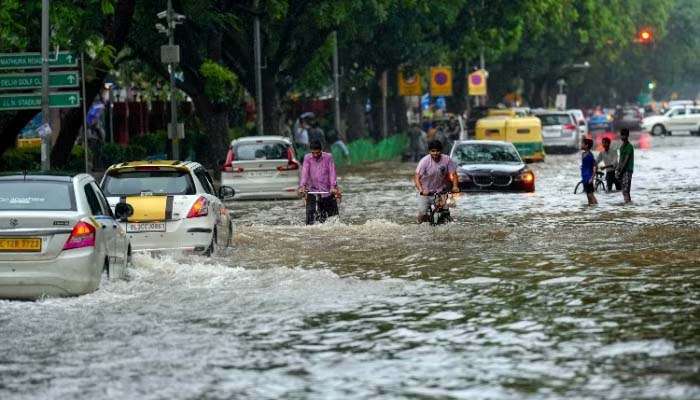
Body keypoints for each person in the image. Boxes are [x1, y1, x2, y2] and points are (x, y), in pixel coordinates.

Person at [414, 139, 460, 223]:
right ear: (429, 151)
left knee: (445, 212)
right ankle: (420, 225)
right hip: (425, 192)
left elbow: (454, 175)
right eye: (433, 151)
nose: (435, 153)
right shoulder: (424, 161)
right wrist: (421, 190)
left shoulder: (447, 160)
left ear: (441, 151)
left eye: (438, 151)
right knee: (423, 213)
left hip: (440, 191)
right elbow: (417, 178)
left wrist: (455, 186)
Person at [299, 140, 341, 224]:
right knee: (310, 220)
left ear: (321, 150)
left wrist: (333, 186)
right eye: (313, 153)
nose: (315, 155)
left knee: (333, 220)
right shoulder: (307, 158)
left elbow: (332, 172)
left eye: (318, 153)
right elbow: (305, 172)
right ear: (311, 151)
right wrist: (303, 186)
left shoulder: (328, 157)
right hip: (312, 191)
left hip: (327, 191)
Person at [616, 128, 634, 203]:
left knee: (626, 190)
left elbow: (626, 161)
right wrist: (617, 169)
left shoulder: (629, 147)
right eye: (621, 135)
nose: (622, 137)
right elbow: (620, 160)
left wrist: (621, 171)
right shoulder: (621, 147)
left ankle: (627, 204)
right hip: (622, 170)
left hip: (627, 170)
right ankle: (628, 204)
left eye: (624, 135)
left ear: (627, 136)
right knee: (624, 190)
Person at [580, 137, 598, 205]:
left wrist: (592, 178)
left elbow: (595, 167)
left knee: (590, 194)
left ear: (586, 145)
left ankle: (596, 206)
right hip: (584, 177)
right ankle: (591, 208)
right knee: (588, 195)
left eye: (582, 144)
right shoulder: (583, 154)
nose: (581, 145)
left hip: (589, 177)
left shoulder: (590, 155)